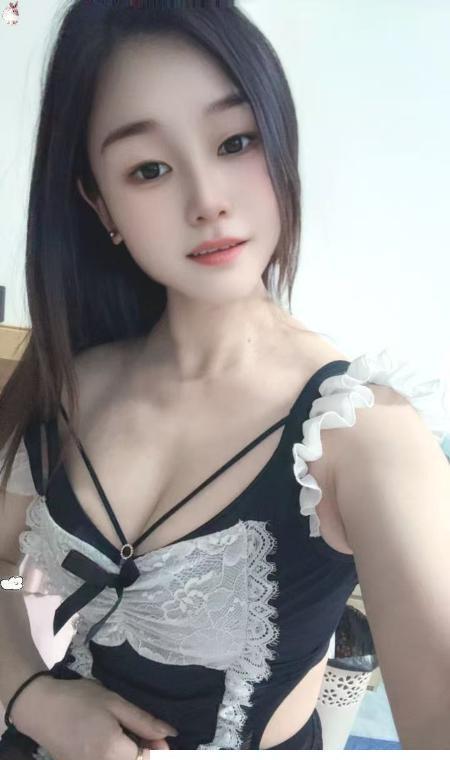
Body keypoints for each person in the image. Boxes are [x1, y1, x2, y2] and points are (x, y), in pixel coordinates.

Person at [1, 2, 449, 758]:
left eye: (235, 141)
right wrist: (31, 695)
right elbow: (2, 569)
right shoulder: (69, 387)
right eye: (148, 168)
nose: (206, 199)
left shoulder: (356, 431)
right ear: (100, 203)